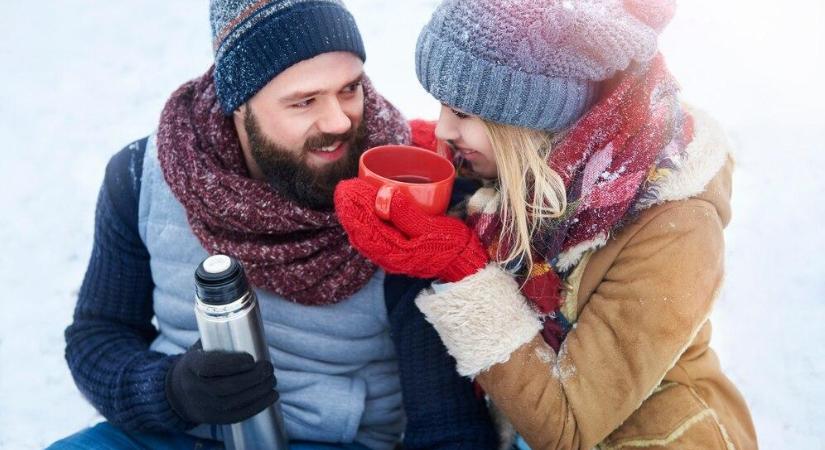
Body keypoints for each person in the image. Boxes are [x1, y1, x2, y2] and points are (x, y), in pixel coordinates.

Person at [48, 1, 501, 449]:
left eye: (349, 88)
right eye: (304, 102)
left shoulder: (400, 194)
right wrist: (170, 390)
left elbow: (448, 429)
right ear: (239, 105)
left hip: (329, 441)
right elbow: (98, 335)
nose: (339, 120)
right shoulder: (143, 177)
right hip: (166, 431)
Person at [334, 0, 759, 448]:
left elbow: (567, 429)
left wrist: (464, 271)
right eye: (442, 106)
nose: (442, 130)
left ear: (530, 118)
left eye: (461, 113)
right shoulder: (543, 165)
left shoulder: (674, 230)